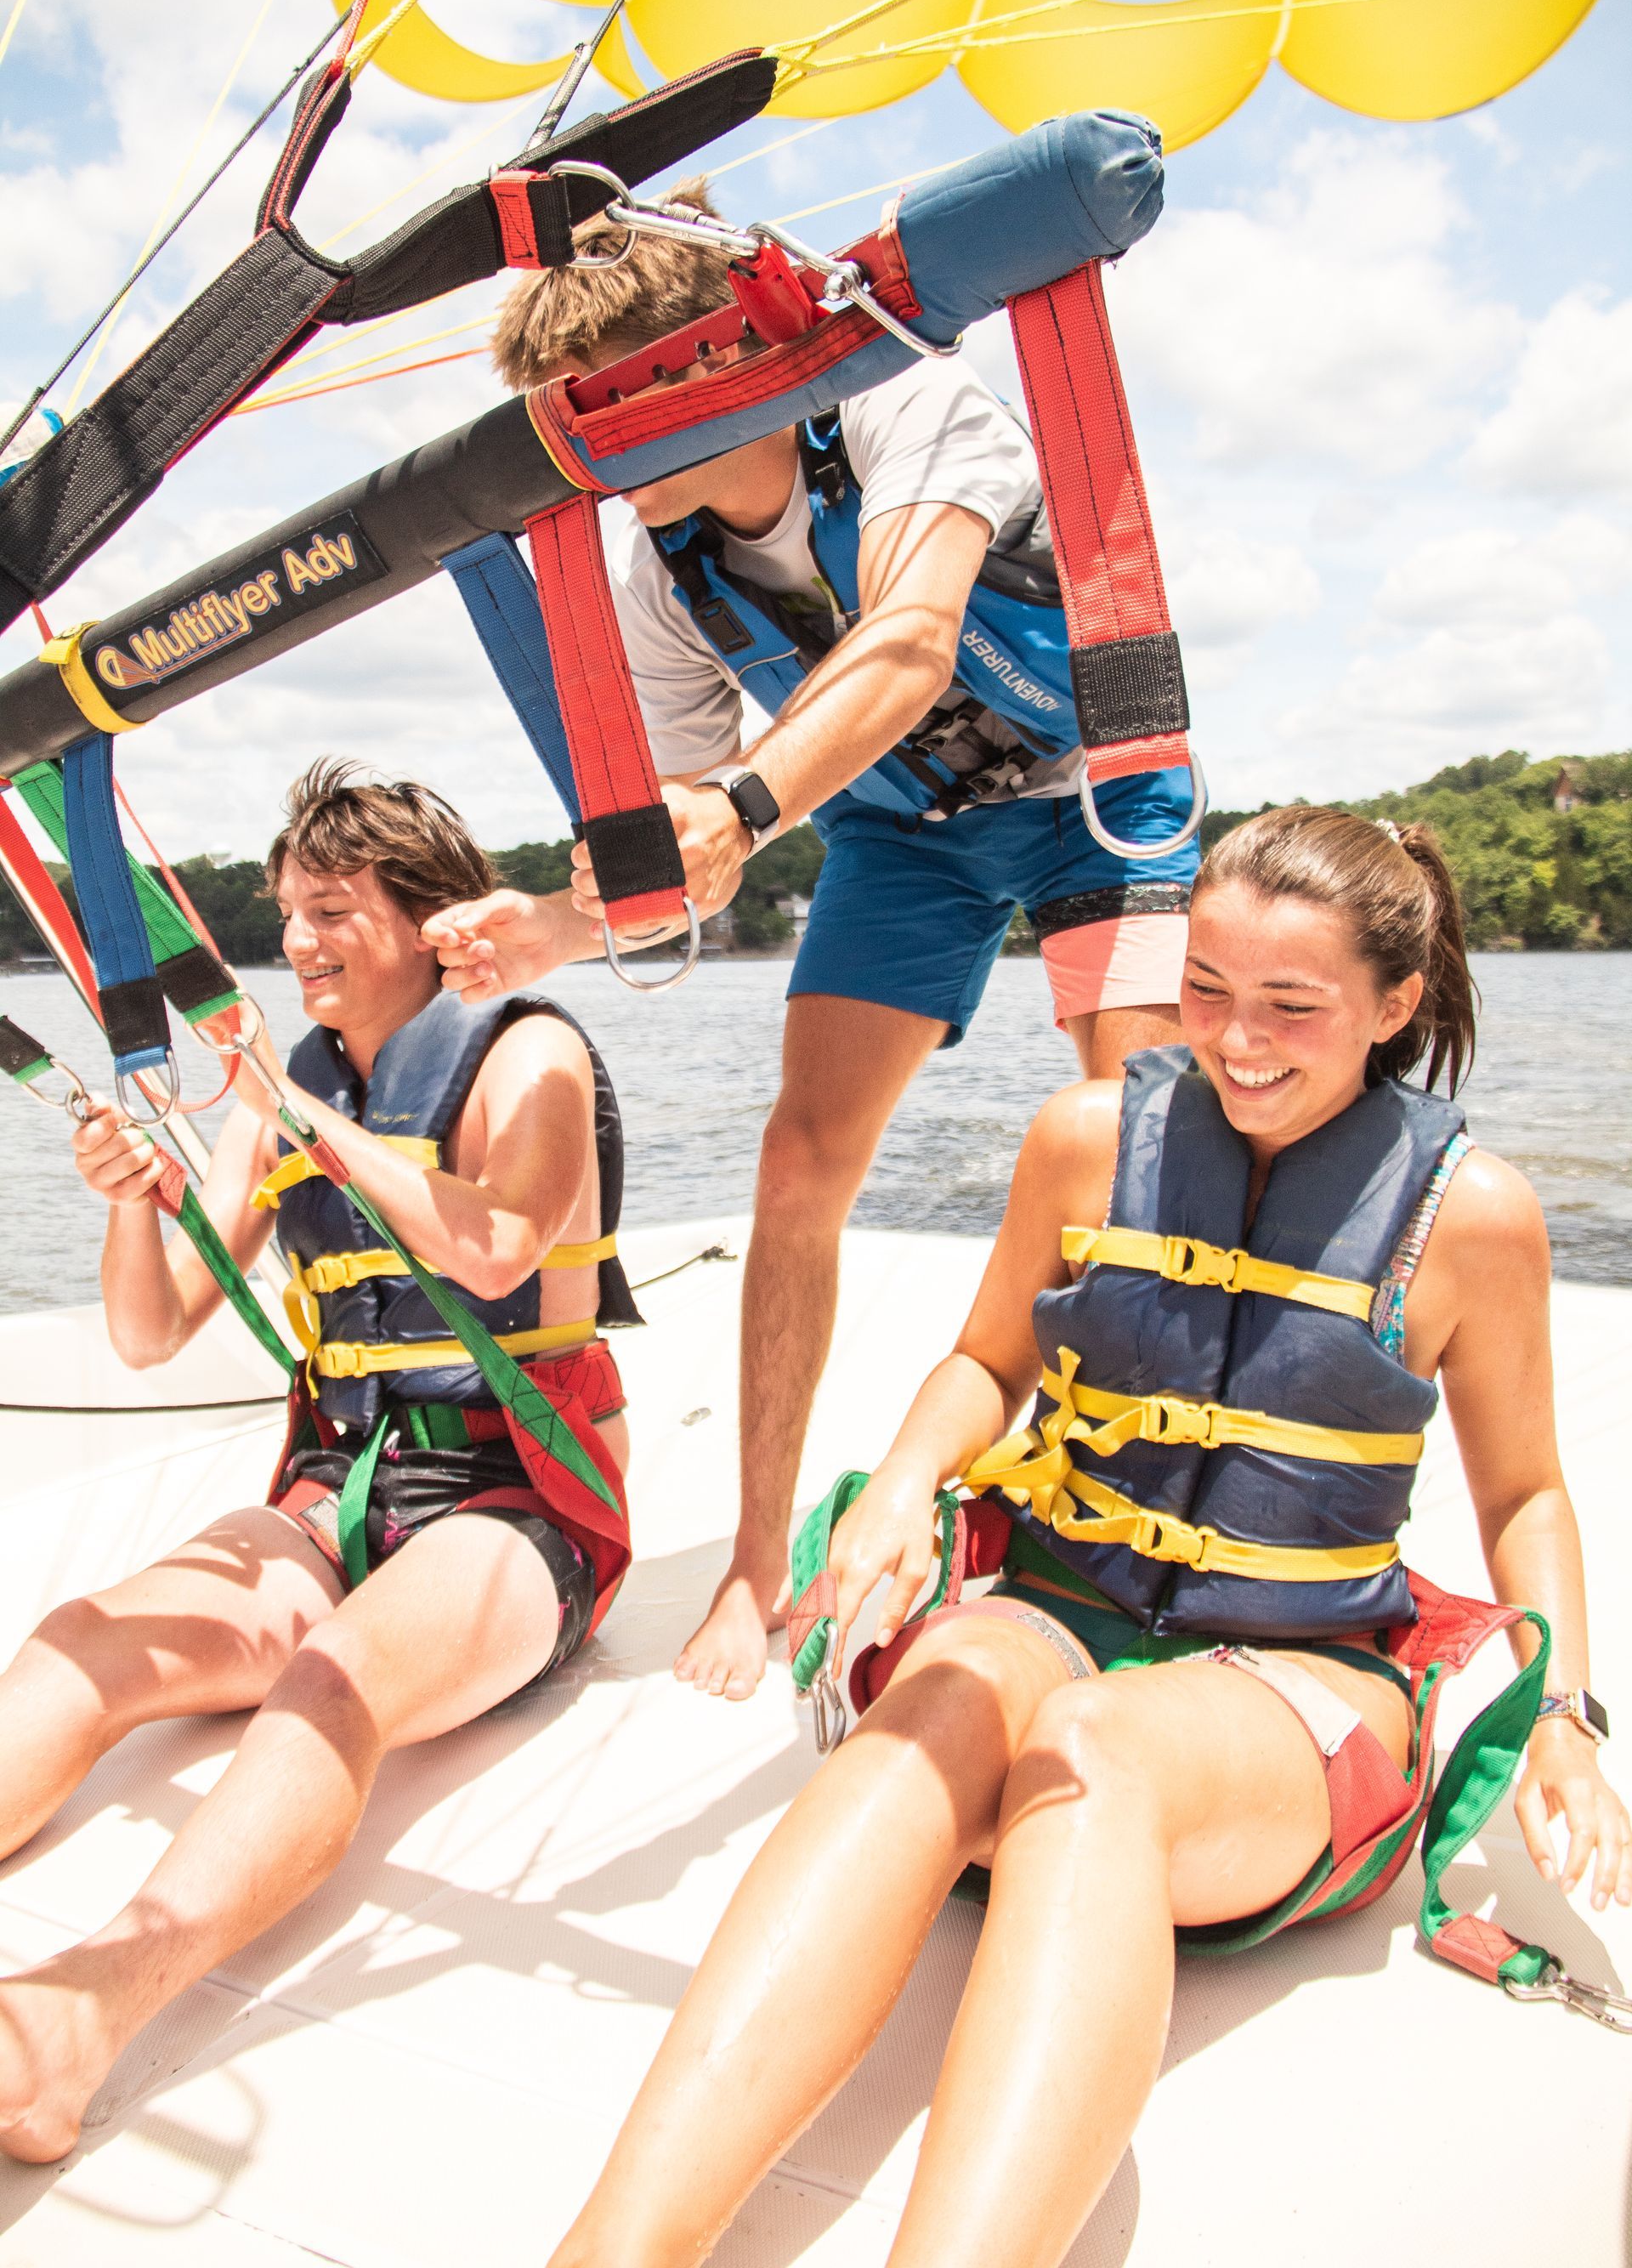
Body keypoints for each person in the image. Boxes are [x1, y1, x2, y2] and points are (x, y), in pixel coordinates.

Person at [547, 806, 1629, 2268]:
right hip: (1062, 1602)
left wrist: (1563, 1715)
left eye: (1292, 1008)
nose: (1238, 1042)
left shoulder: (1474, 1219)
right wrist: (898, 1485)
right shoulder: (1083, 1139)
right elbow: (988, 1362)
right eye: (1206, 992)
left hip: (1293, 1684)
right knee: (932, 1700)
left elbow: (1528, 1496)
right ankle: (618, 2250)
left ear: (1393, 1005)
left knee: (1103, 1744)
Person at [429, 179, 1198, 1700]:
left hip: (1093, 792)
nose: (591, 462)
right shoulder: (658, 572)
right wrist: (560, 929)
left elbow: (910, 648)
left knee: (1133, 1155)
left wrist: (745, 799)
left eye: (605, 418)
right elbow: (688, 847)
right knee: (797, 1164)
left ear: (716, 372)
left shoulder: (912, 403)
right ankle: (757, 1565)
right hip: (900, 839)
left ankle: (1135, 1532)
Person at [0, 759, 637, 2165]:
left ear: (426, 921)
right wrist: (127, 1202)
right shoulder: (275, 1091)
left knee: (325, 1689)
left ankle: (73, 2023)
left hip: (518, 1506)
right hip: (336, 1493)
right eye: (288, 912)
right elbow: (151, 1329)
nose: (295, 944)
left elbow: (495, 1247)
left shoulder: (528, 1052)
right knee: (85, 1642)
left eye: (333, 911)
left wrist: (311, 1128)